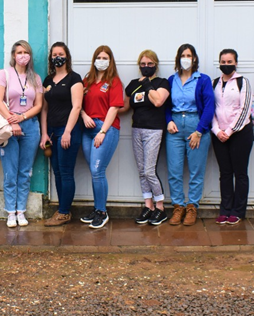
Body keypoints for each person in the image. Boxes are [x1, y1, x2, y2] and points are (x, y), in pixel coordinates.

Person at [0, 40, 43, 228]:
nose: (23, 55)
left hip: (29, 125)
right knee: (10, 172)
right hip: (8, 125)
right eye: (19, 52)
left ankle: (21, 210)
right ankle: (10, 212)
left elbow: (38, 105)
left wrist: (22, 118)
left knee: (25, 171)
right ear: (14, 55)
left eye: (26, 52)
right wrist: (11, 120)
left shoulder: (35, 78)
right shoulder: (4, 74)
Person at [165, 44, 215, 227]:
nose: (186, 58)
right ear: (178, 58)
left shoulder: (203, 79)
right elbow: (166, 104)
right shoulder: (172, 80)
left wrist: (199, 131)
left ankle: (192, 206)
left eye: (189, 55)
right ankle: (178, 206)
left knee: (196, 171)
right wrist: (168, 120)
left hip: (196, 127)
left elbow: (210, 107)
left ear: (194, 59)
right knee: (174, 171)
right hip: (175, 129)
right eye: (183, 55)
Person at [120, 49, 171, 226]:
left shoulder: (162, 82)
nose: (146, 67)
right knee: (142, 171)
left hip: (154, 130)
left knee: (150, 170)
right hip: (137, 130)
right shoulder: (133, 84)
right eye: (142, 64)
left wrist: (148, 84)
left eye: (149, 64)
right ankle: (148, 206)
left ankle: (160, 207)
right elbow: (124, 107)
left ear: (155, 65)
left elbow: (158, 101)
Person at [79, 45, 124, 229]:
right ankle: (97, 209)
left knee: (98, 170)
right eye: (99, 57)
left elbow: (114, 108)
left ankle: (102, 212)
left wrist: (103, 132)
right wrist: (83, 115)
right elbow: (77, 103)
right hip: (87, 128)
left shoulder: (114, 81)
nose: (102, 61)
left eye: (105, 58)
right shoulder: (87, 80)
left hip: (106, 128)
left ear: (110, 60)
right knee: (94, 171)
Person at [39, 42, 83, 226]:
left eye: (61, 53)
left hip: (68, 131)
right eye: (54, 54)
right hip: (51, 132)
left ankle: (64, 212)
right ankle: (62, 210)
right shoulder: (48, 81)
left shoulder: (75, 78)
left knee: (66, 172)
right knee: (57, 172)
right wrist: (44, 134)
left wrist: (67, 132)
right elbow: (44, 109)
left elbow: (77, 106)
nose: (58, 57)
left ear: (67, 56)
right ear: (51, 58)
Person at [211, 49, 254, 225]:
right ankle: (225, 209)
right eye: (223, 61)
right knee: (225, 173)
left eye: (230, 61)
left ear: (236, 63)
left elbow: (245, 110)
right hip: (218, 134)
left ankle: (238, 211)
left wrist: (229, 131)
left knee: (240, 173)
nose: (226, 64)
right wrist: (216, 130)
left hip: (240, 134)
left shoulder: (243, 82)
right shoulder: (214, 82)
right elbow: (210, 108)